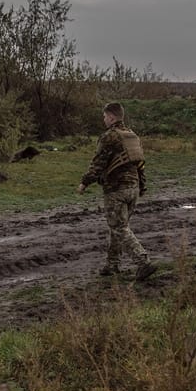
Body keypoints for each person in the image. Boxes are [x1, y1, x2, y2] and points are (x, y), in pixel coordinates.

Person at [77, 102, 156, 280]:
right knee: (118, 228)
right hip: (133, 189)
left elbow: (98, 163)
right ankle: (112, 265)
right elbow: (140, 165)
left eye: (105, 116)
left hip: (116, 189)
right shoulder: (132, 136)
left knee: (119, 228)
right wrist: (142, 186)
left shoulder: (109, 136)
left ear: (111, 117)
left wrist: (84, 182)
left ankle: (143, 261)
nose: (104, 120)